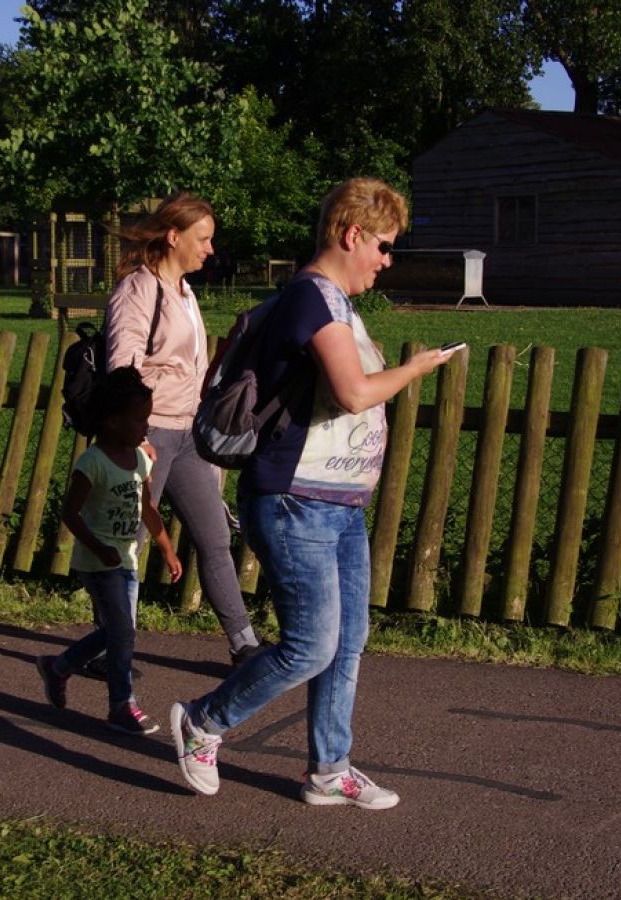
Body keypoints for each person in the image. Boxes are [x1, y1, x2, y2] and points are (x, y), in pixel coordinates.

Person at [169, 177, 460, 808]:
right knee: (310, 645)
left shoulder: (336, 304)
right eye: (384, 246)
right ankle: (203, 720)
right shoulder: (311, 298)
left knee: (346, 642)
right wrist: (414, 368)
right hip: (294, 501)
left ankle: (330, 770)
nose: (387, 261)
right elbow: (354, 392)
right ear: (352, 234)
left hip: (338, 504)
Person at [102, 192, 264, 669]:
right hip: (148, 432)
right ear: (174, 236)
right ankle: (111, 648)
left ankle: (245, 645)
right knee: (130, 544)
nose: (210, 249)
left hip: (188, 434)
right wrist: (135, 436)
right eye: (204, 238)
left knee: (214, 538)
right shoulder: (138, 289)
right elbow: (122, 367)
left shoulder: (185, 292)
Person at [36, 367, 183, 735]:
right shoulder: (93, 463)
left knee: (121, 631)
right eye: (139, 420)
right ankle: (121, 705)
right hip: (98, 562)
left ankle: (59, 667)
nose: (146, 428)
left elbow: (148, 508)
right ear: (113, 421)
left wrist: (167, 549)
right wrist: (98, 548)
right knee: (122, 632)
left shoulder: (140, 460)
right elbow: (70, 513)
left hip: (126, 559)